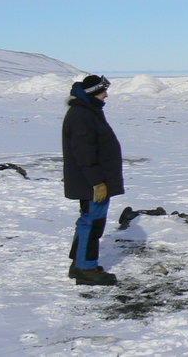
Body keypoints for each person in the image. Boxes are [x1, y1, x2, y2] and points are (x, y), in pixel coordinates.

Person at [62, 74, 124, 286]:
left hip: (92, 180)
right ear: (92, 93)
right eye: (102, 91)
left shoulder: (87, 111)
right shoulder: (82, 115)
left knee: (88, 220)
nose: (106, 95)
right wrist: (97, 182)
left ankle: (79, 263)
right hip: (92, 182)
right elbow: (84, 153)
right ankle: (85, 269)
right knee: (92, 222)